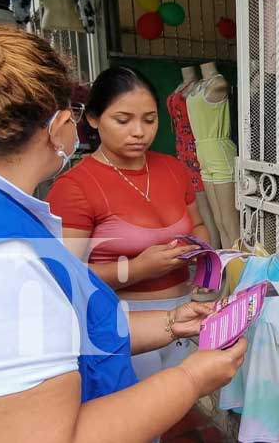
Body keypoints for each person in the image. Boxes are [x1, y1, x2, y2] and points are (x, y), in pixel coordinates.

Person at [0, 13, 247, 443]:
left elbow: (63, 328)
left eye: (149, 119)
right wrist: (192, 379)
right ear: (62, 123)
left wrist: (172, 322)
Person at [46, 66, 211, 381]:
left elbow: (199, 226)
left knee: (170, 409)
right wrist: (137, 269)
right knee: (133, 421)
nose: (139, 132)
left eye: (149, 120)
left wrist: (205, 260)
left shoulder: (173, 170)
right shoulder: (75, 187)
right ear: (94, 119)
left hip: (185, 313)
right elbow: (66, 277)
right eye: (123, 120)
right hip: (120, 323)